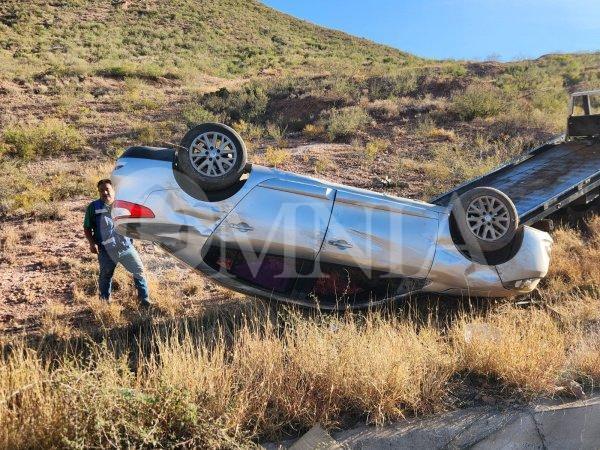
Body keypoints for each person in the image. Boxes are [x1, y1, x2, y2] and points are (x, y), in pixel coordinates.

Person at [83, 179, 151, 307]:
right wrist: (92, 243)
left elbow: (135, 222)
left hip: (126, 247)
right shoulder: (93, 207)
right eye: (101, 190)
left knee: (139, 271)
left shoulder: (123, 205)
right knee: (106, 276)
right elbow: (87, 228)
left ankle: (145, 301)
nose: (104, 192)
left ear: (113, 190)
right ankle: (104, 303)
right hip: (106, 251)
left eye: (107, 189)